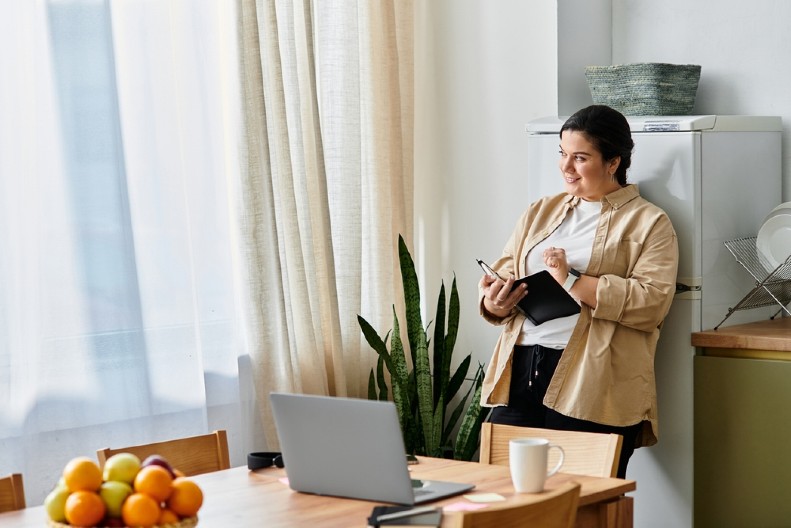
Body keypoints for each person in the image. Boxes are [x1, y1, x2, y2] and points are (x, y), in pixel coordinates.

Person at [478, 104, 679, 478]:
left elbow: (651, 302)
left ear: (613, 162)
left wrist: (571, 279)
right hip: (521, 370)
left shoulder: (650, 222)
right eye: (562, 154)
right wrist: (495, 299)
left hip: (595, 382)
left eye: (580, 157)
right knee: (501, 494)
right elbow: (507, 264)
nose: (566, 167)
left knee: (585, 503)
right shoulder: (541, 210)